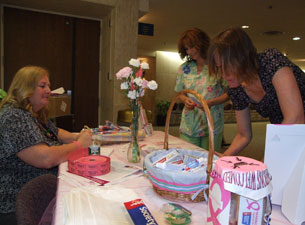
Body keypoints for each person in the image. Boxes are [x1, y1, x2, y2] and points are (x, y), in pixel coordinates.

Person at [0, 66, 92, 225]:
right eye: (42, 86)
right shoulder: (13, 117)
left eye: (48, 86)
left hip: (44, 191)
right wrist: (79, 145)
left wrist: (81, 136)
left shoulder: (32, 114)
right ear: (25, 88)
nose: (49, 90)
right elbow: (45, 158)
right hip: (22, 205)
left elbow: (56, 132)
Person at [208, 27, 305, 156]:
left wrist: (270, 158)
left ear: (242, 59)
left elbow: (295, 118)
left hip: (293, 129)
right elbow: (243, 135)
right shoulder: (237, 88)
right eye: (219, 68)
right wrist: (224, 158)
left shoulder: (270, 61)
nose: (224, 75)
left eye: (227, 66)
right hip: (287, 135)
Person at [175, 28, 229, 152]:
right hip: (189, 124)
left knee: (209, 163)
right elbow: (180, 93)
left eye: (192, 46)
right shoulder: (184, 68)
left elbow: (229, 94)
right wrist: (185, 100)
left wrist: (210, 103)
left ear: (202, 44)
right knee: (187, 159)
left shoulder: (217, 67)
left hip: (212, 123)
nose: (190, 51)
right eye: (186, 48)